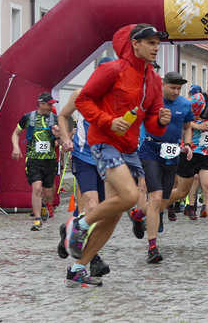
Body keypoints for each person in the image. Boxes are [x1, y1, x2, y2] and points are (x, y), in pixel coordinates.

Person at [65, 23, 169, 287]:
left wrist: (162, 119)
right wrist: (108, 121)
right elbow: (83, 100)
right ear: (135, 43)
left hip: (129, 147)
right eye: (151, 43)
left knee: (112, 215)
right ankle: (79, 224)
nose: (156, 48)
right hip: (104, 141)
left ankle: (78, 268)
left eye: (158, 43)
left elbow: (154, 123)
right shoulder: (111, 70)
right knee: (131, 197)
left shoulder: (154, 80)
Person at [57, 57, 115, 278]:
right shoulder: (81, 95)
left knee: (102, 212)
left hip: (108, 160)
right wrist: (65, 138)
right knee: (92, 205)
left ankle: (69, 230)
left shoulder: (119, 99)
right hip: (83, 157)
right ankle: (93, 260)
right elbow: (63, 116)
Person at [169, 70, 208, 246]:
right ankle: (154, 208)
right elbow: (179, 118)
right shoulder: (197, 100)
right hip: (190, 151)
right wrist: (199, 125)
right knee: (181, 192)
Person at [137, 71, 194, 263]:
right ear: (163, 85)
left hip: (172, 153)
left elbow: (187, 127)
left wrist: (187, 145)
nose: (176, 91)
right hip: (150, 149)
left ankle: (139, 214)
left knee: (165, 198)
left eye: (179, 88)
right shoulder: (152, 101)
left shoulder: (185, 104)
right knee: (156, 196)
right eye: (172, 87)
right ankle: (152, 247)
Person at [11, 92, 59, 231]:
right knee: (37, 187)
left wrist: (58, 136)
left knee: (49, 192)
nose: (51, 106)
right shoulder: (28, 117)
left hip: (50, 160)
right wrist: (16, 147)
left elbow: (62, 140)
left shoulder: (55, 119)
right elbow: (15, 133)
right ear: (41, 104)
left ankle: (44, 205)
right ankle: (37, 219)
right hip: (33, 159)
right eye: (49, 104)